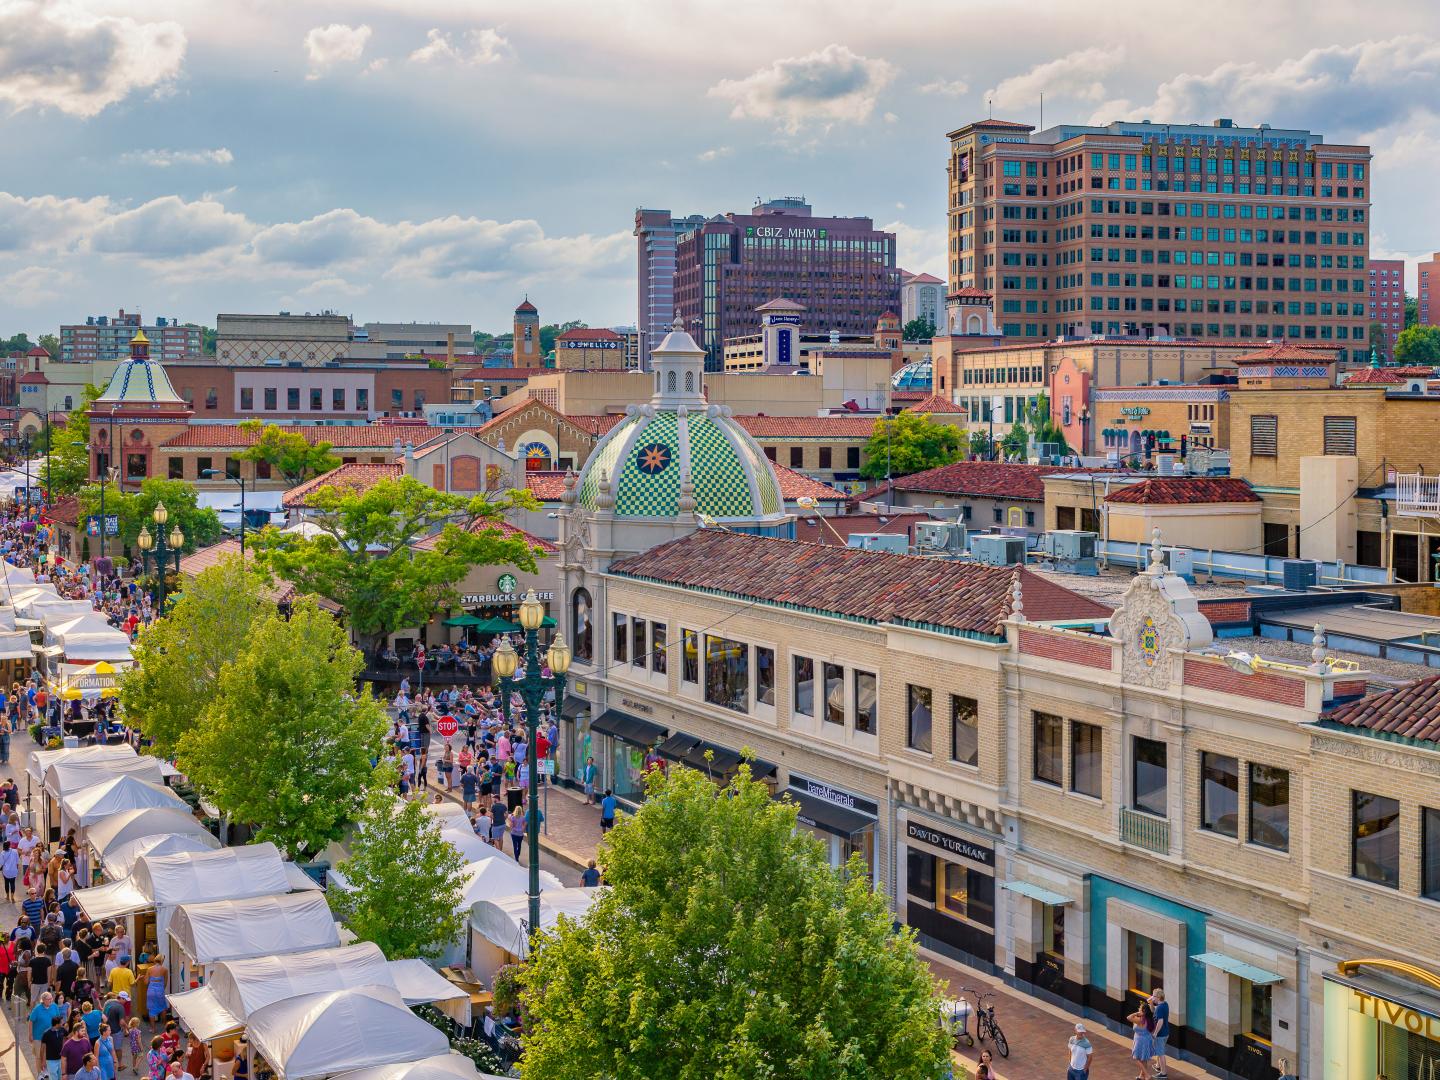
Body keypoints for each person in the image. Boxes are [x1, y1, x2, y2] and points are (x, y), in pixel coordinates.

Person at [1128, 999, 1156, 1080]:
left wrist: (1136, 1013)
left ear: (1143, 1011)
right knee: (1144, 1058)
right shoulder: (1150, 1020)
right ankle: (1141, 1076)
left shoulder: (1139, 1020)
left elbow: (1128, 1017)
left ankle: (1147, 1075)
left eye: (1140, 1009)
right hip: (1147, 1039)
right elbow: (1152, 1031)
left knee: (1136, 1058)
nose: (1138, 1009)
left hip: (1140, 1040)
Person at [1150, 988, 1170, 1079]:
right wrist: (1150, 1002)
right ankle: (1158, 1065)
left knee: (1161, 1053)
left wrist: (1155, 1033)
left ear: (1158, 997)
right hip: (1166, 1033)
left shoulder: (1160, 1008)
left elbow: (1160, 1021)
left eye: (1153, 996)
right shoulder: (1164, 1004)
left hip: (1160, 1035)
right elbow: (1154, 1011)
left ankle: (1163, 1073)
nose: (1152, 997)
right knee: (1159, 1050)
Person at [41, 1014, 66, 1080]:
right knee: (53, 1078)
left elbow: (68, 1036)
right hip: (50, 1060)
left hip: (61, 1059)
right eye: (61, 1022)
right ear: (57, 1024)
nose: (63, 1023)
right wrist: (42, 1061)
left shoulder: (62, 1029)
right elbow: (42, 1048)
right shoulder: (46, 1033)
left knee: (60, 1077)